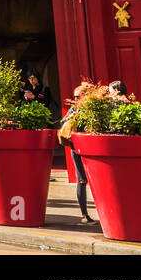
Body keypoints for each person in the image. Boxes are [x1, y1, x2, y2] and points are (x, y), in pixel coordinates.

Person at [59, 82, 97, 225]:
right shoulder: (74, 109)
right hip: (77, 148)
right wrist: (70, 118)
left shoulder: (93, 110)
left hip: (92, 148)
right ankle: (84, 214)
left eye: (78, 97)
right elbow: (62, 122)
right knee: (82, 179)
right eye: (74, 97)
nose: (75, 100)